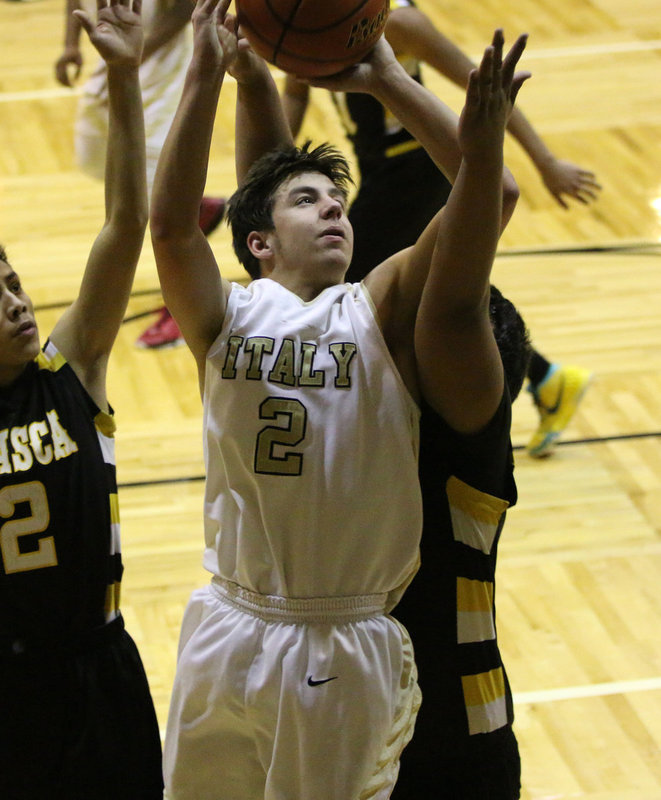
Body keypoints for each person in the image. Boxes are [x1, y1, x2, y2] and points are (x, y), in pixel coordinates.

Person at [149, 0, 528, 794]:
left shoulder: (378, 306)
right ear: (257, 243)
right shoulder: (229, 313)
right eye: (308, 199)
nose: (333, 208)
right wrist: (207, 73)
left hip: (342, 632)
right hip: (228, 616)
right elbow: (171, 228)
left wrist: (390, 78)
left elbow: (485, 200)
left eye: (339, 200)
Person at [281, 0, 594, 457]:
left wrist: (544, 160)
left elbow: (489, 88)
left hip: (416, 170)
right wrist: (270, 171)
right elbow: (295, 92)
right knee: (423, 290)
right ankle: (547, 378)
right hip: (378, 172)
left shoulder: (401, 21)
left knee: (355, 288)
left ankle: (351, 415)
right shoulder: (313, 14)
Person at [0, 1, 162, 797]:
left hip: (99, 669)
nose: (16, 301)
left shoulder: (70, 368)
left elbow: (126, 220)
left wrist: (125, 73)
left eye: (13, 282)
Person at [391, 286, 532, 799]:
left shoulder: (470, 438)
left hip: (457, 740)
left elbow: (456, 311)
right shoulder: (374, 426)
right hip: (355, 721)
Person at [55, 0, 225, 349]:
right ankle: (198, 209)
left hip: (157, 61)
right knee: (93, 154)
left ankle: (183, 311)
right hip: (116, 44)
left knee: (159, 208)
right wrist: (71, 45)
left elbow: (183, 9)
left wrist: (132, 59)